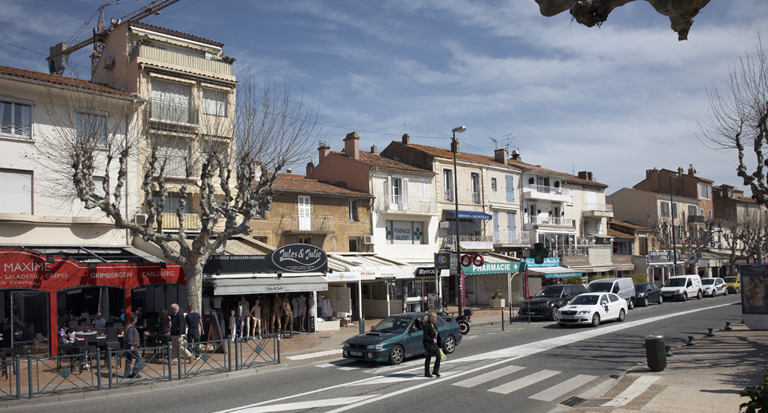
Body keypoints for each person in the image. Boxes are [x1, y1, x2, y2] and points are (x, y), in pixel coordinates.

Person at [423, 312, 442, 378]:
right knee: (428, 357)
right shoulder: (427, 325)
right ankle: (427, 372)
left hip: (434, 343)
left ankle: (435, 370)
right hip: (428, 344)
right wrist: (431, 339)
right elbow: (425, 336)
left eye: (436, 317)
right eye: (434, 317)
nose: (435, 319)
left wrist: (440, 343)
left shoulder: (434, 325)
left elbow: (437, 334)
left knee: (438, 356)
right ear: (431, 318)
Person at [124, 314, 142, 379]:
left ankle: (127, 374)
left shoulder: (127, 326)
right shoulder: (131, 328)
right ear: (135, 320)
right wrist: (131, 345)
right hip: (131, 345)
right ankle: (135, 372)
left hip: (127, 345)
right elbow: (130, 337)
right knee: (139, 358)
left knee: (128, 360)